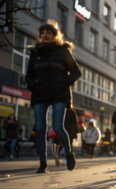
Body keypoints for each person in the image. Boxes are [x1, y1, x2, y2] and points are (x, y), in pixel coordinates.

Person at [25, 20, 81, 173]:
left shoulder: (63, 51)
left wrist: (63, 82)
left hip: (59, 93)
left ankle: (69, 153)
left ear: (55, 35)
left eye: (49, 33)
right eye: (42, 33)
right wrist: (34, 85)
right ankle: (43, 163)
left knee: (57, 126)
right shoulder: (35, 53)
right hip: (40, 94)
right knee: (40, 128)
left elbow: (76, 72)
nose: (45, 35)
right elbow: (29, 76)